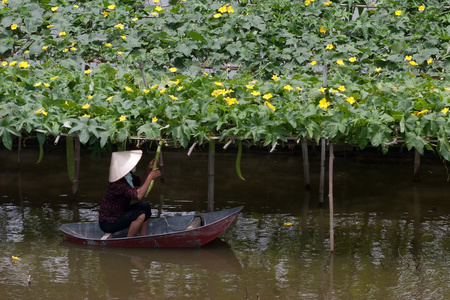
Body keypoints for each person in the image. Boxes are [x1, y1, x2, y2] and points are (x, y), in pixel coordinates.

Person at [99, 150, 161, 238]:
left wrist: (148, 169)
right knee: (140, 215)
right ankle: (130, 240)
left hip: (120, 212)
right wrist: (150, 177)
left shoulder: (127, 177)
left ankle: (143, 236)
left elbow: (140, 180)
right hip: (109, 222)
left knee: (145, 206)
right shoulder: (118, 184)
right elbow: (138, 195)